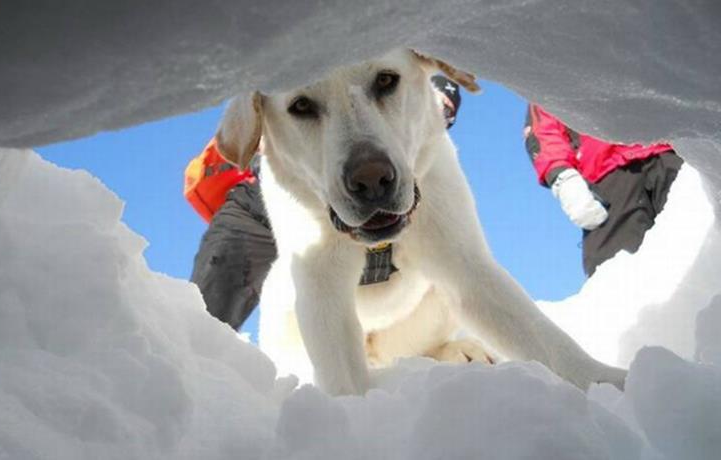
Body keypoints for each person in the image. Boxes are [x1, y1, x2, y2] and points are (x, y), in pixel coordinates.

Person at [185, 75, 463, 330]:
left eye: (447, 112)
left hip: (339, 219)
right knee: (207, 314)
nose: (439, 113)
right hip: (256, 207)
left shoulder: (419, 170)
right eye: (436, 100)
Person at [524, 103, 683, 276]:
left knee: (700, 245)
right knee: (616, 277)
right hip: (609, 173)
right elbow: (545, 128)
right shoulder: (558, 76)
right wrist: (563, 178)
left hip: (673, 152)